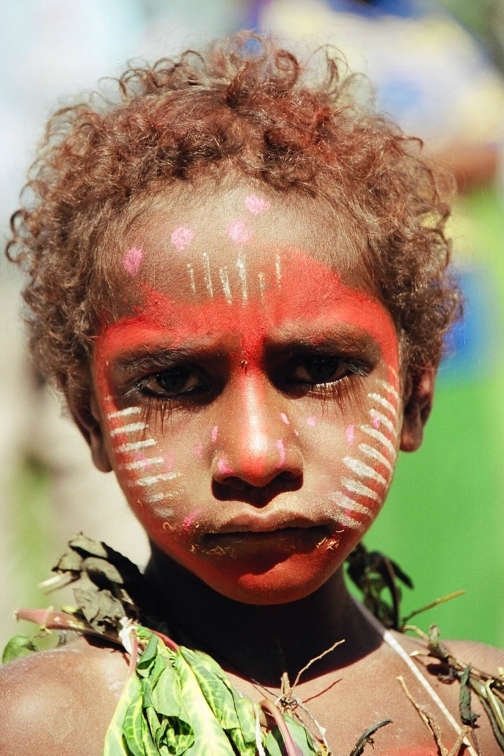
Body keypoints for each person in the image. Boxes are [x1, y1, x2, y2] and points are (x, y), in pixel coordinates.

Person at [0, 34, 502, 756]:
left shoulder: (478, 716)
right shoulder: (43, 729)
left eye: (319, 368)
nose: (256, 456)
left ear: (416, 396)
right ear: (91, 421)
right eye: (174, 382)